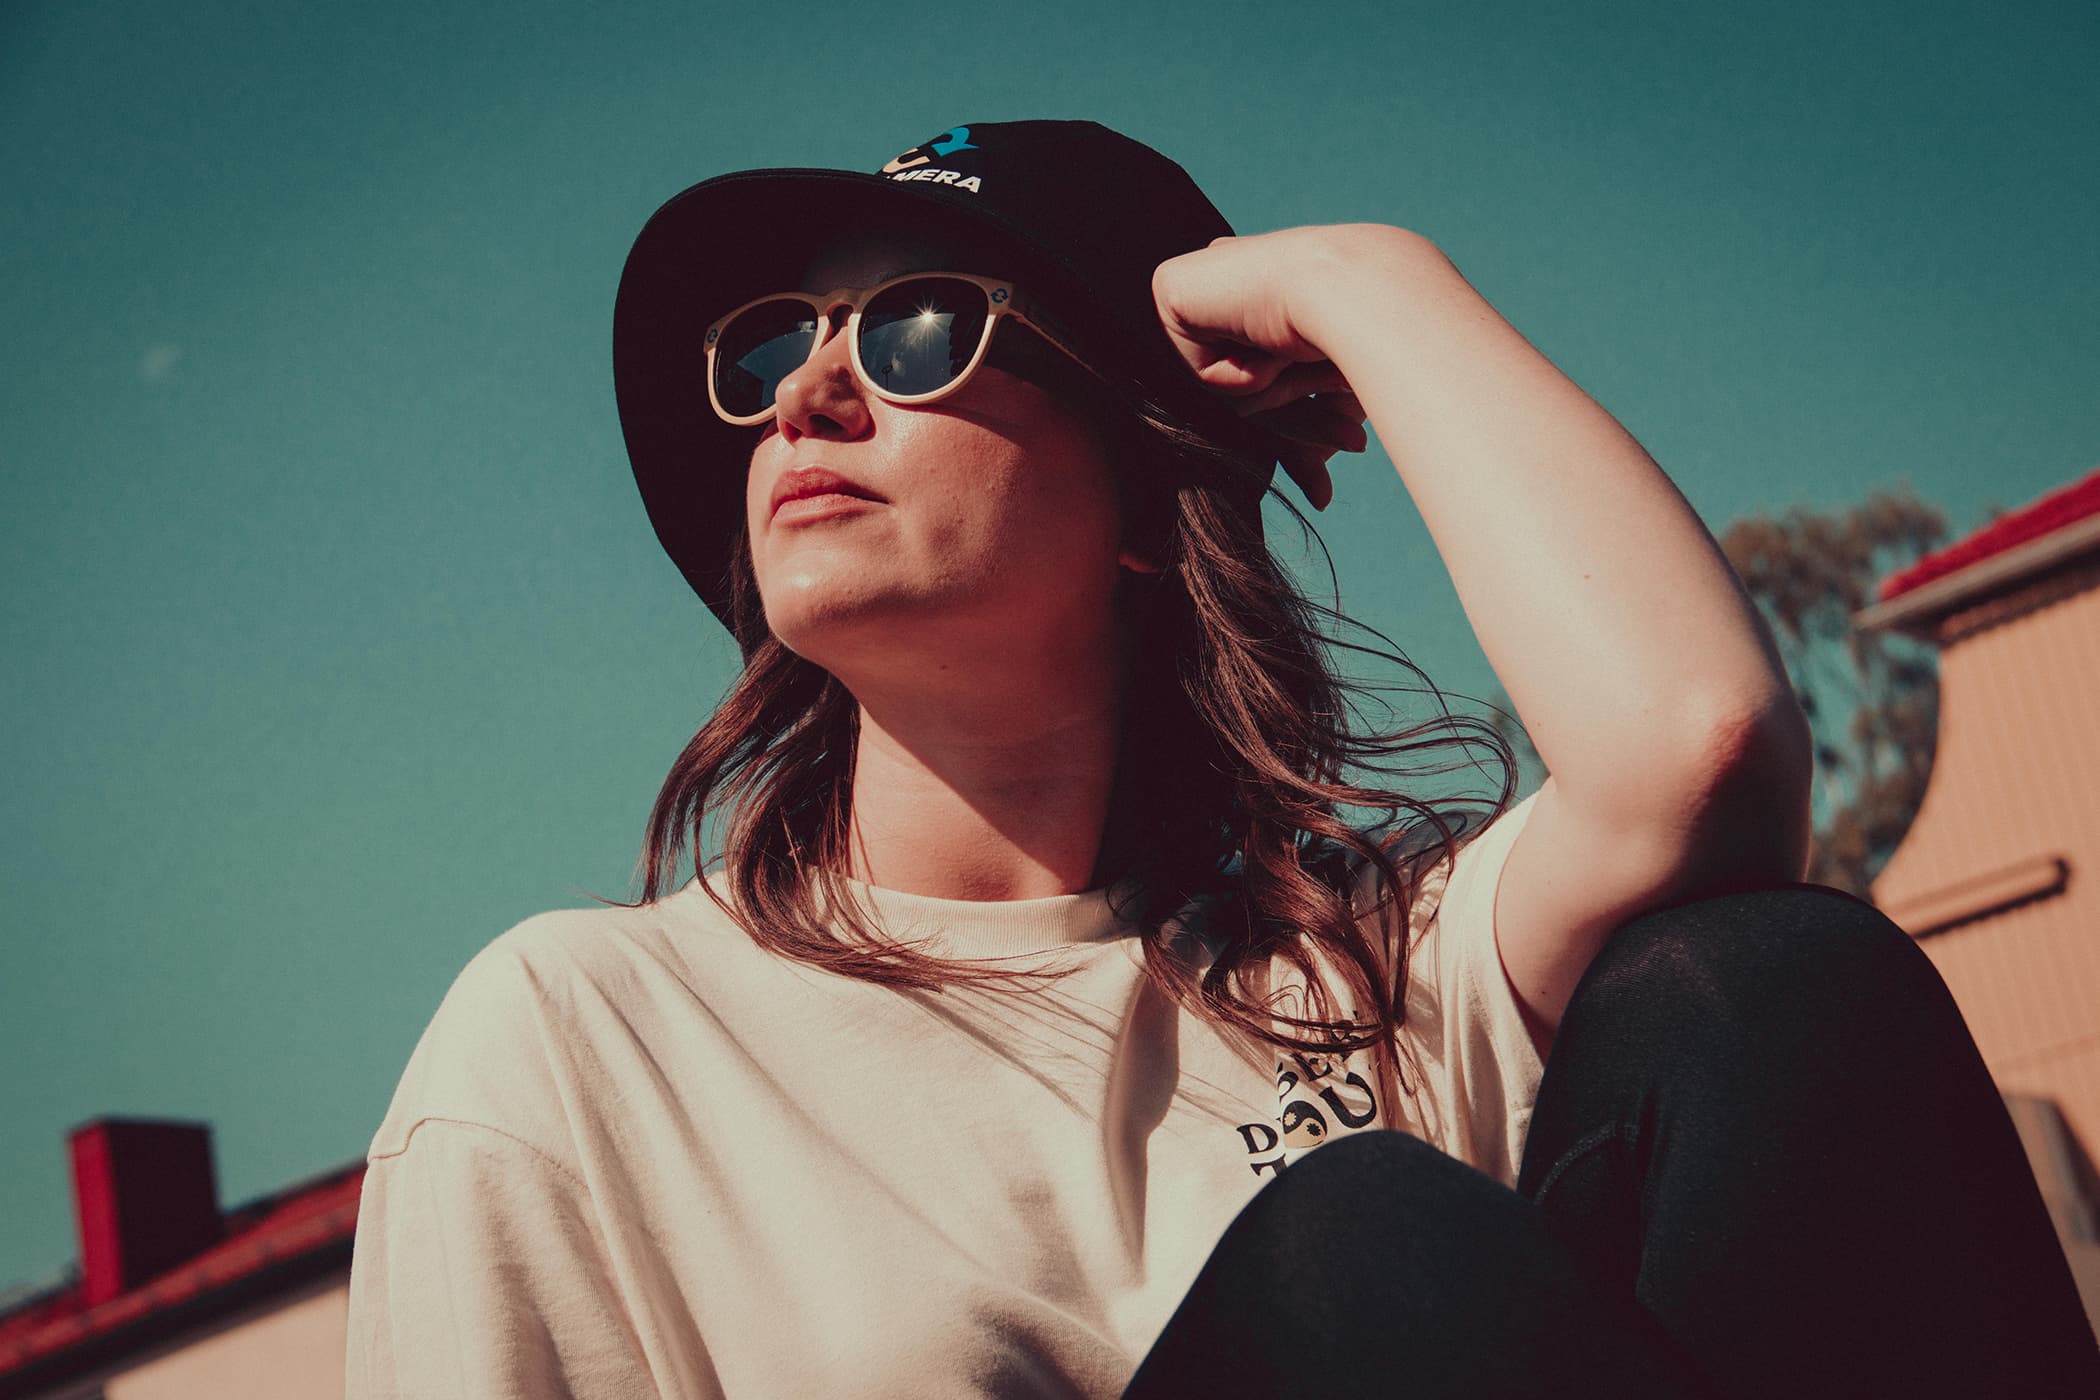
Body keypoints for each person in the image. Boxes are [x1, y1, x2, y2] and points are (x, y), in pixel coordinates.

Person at [344, 121, 2100, 1398]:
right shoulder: (581, 1035)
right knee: (1364, 1248)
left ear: (1137, 499)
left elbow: (1696, 747)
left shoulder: (1366, 965)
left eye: (916, 332)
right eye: (767, 347)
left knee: (1775, 980)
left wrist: (1364, 282)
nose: (804, 396)